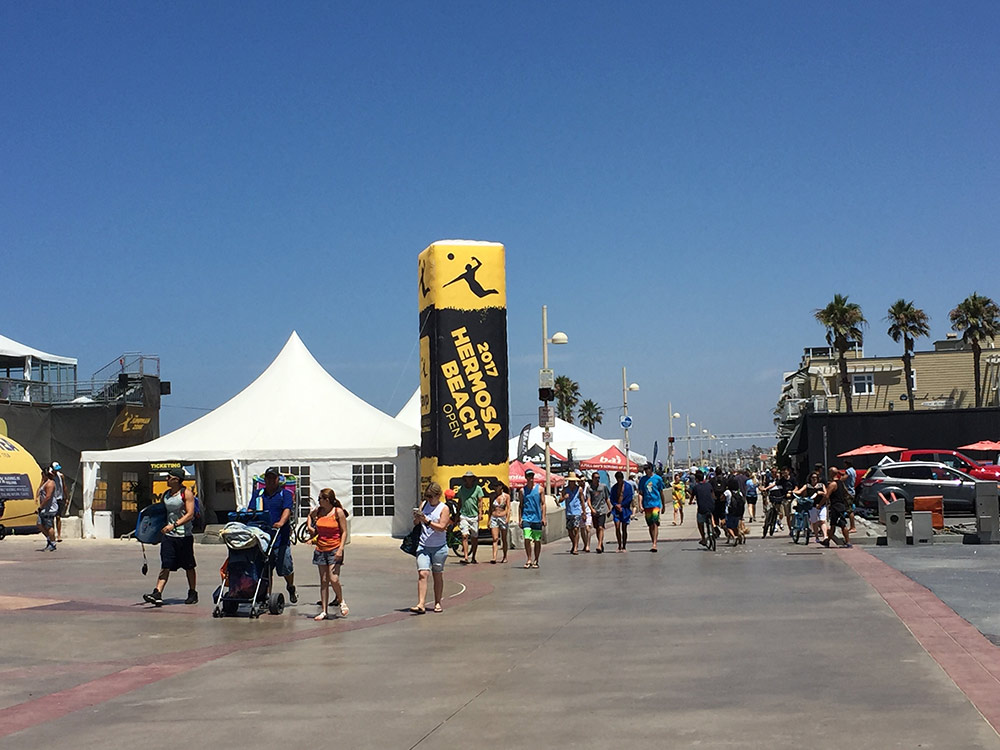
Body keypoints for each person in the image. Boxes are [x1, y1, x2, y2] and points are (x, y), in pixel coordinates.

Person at [143, 468, 197, 605]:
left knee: (189, 566)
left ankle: (192, 592)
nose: (166, 479)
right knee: (165, 565)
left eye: (169, 477)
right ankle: (157, 592)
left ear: (176, 480)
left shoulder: (186, 493)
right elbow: (161, 513)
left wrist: (175, 525)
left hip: (184, 536)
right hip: (169, 536)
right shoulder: (166, 494)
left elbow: (190, 514)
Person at [306, 488, 349, 621]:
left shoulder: (338, 512)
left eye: (320, 499)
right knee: (323, 581)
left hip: (334, 548)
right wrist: (310, 527)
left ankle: (341, 601)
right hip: (320, 549)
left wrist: (341, 549)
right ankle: (324, 611)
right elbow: (309, 515)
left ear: (327, 500)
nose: (318, 501)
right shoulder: (319, 511)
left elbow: (344, 532)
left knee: (333, 578)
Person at [257, 467, 297, 603]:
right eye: (267, 478)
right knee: (266, 569)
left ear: (277, 479)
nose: (270, 480)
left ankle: (290, 587)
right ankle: (267, 596)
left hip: (280, 537)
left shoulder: (285, 494)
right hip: (263, 537)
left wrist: (281, 522)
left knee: (285, 567)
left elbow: (287, 509)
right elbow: (252, 509)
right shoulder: (259, 494)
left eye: (272, 478)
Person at [411, 482, 451, 613]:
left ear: (438, 495)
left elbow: (442, 527)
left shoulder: (443, 508)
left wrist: (427, 521)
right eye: (427, 496)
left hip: (439, 547)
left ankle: (438, 601)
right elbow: (417, 523)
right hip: (424, 545)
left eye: (431, 496)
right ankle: (421, 603)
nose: (429, 499)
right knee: (423, 573)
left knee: (437, 574)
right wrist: (417, 518)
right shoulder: (424, 504)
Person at [518, 470, 546, 568]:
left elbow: (543, 503)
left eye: (532, 476)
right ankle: (529, 558)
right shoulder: (522, 491)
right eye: (528, 476)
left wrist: (543, 517)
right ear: (526, 477)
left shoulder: (540, 489)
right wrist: (520, 518)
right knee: (527, 538)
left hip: (537, 518)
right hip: (526, 517)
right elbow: (520, 505)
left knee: (537, 540)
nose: (530, 478)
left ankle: (536, 559)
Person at [637, 464, 666, 552]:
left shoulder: (658, 479)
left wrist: (663, 505)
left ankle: (655, 543)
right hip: (647, 504)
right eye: (644, 469)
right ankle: (652, 540)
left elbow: (661, 492)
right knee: (650, 525)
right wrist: (640, 505)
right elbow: (640, 493)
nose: (646, 470)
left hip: (656, 504)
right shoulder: (642, 480)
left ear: (651, 469)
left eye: (647, 469)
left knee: (655, 523)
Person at [821, 467, 852, 548]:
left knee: (842, 524)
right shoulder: (841, 482)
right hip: (840, 505)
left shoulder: (833, 484)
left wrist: (820, 504)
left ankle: (848, 542)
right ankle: (827, 541)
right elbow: (846, 491)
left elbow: (827, 496)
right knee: (833, 525)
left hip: (836, 507)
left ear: (831, 473)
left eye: (829, 472)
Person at [456, 471, 484, 564]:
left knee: (474, 537)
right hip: (464, 515)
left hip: (474, 515)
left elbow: (480, 502)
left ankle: (474, 557)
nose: (469, 479)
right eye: (467, 477)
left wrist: (480, 513)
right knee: (464, 535)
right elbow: (460, 501)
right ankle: (466, 556)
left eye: (470, 477)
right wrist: (457, 514)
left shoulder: (478, 489)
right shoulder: (461, 489)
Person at [559, 473, 586, 554]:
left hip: (577, 512)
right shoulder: (565, 489)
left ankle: (575, 547)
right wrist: (564, 497)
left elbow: (582, 501)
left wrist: (584, 512)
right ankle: (574, 543)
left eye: (573, 481)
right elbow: (559, 500)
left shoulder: (579, 489)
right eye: (571, 481)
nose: (572, 483)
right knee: (570, 530)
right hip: (569, 512)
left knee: (576, 529)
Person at [585, 472, 611, 553]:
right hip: (594, 510)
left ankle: (599, 544)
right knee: (597, 528)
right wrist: (591, 509)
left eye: (598, 477)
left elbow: (607, 498)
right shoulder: (589, 488)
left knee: (601, 527)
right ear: (592, 479)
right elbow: (588, 500)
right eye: (596, 478)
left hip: (602, 510)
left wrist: (610, 508)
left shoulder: (603, 487)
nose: (597, 479)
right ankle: (601, 542)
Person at [609, 470, 634, 552]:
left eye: (620, 479)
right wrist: (616, 505)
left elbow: (630, 497)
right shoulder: (614, 488)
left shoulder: (628, 486)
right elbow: (611, 498)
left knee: (624, 528)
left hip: (625, 509)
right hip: (616, 509)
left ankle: (624, 546)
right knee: (617, 526)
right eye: (617, 479)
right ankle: (619, 545)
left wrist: (622, 505)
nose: (619, 480)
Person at [36, 466, 58, 551]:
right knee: (39, 524)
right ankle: (49, 539)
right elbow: (39, 491)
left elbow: (48, 497)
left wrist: (41, 506)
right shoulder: (45, 482)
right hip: (44, 509)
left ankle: (53, 543)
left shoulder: (50, 483)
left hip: (49, 509)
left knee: (49, 526)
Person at [693, 471, 717, 547]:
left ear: (696, 479)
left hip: (702, 508)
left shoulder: (696, 487)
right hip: (711, 506)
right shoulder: (709, 485)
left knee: (700, 522)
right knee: (710, 512)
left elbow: (691, 497)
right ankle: (713, 526)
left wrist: (690, 501)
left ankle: (703, 538)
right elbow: (713, 495)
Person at [489, 483, 510, 563]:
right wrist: (489, 520)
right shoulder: (492, 496)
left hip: (503, 517)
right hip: (494, 517)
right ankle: (494, 557)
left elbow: (508, 508)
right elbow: (490, 508)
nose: (496, 488)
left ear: (501, 487)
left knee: (504, 538)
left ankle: (505, 556)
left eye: (497, 486)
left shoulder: (506, 496)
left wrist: (507, 518)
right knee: (495, 538)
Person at [724, 476, 746, 544]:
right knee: (736, 526)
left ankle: (734, 537)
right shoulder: (739, 493)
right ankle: (740, 536)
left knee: (728, 527)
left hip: (729, 511)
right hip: (738, 512)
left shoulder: (728, 492)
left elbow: (722, 498)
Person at [50, 462, 68, 543]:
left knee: (58, 517)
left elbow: (64, 487)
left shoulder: (61, 476)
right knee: (51, 517)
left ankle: (59, 534)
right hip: (51, 498)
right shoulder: (49, 476)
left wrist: (66, 497)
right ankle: (52, 534)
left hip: (59, 498)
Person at [843, 458, 858, 533]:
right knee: (849, 509)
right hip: (852, 491)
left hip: (848, 492)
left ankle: (853, 527)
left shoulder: (848, 471)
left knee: (849, 510)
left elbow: (843, 479)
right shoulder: (853, 470)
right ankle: (852, 526)